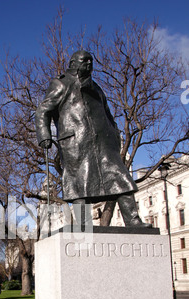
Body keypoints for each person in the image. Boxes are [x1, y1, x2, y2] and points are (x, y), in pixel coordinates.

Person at [35, 50, 151, 228]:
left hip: (103, 144)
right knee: (78, 185)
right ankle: (83, 225)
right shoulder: (60, 83)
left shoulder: (96, 88)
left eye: (91, 61)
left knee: (121, 178)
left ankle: (133, 221)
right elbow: (43, 110)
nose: (89, 64)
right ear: (73, 63)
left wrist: (114, 134)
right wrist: (44, 135)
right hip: (76, 144)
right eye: (84, 61)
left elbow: (107, 113)